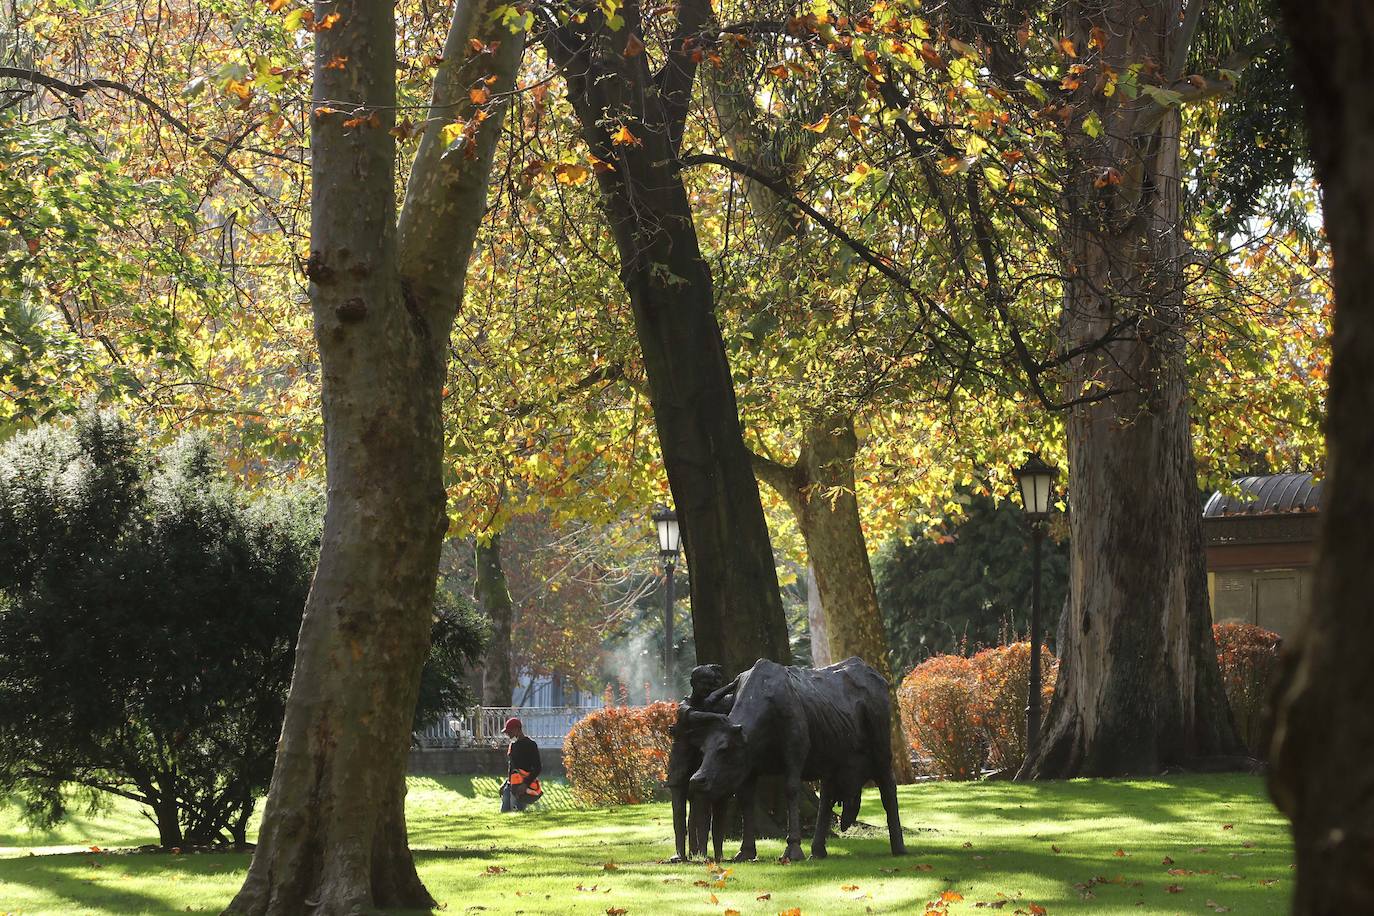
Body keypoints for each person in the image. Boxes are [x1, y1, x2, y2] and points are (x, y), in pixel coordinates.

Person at [499, 717, 542, 813]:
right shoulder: (512, 745)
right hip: (511, 785)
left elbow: (538, 768)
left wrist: (525, 784)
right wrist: (505, 783)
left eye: (509, 731)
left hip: (523, 787)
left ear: (517, 729)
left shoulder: (531, 745)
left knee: (518, 811)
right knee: (504, 812)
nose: (507, 733)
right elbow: (512, 767)